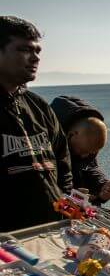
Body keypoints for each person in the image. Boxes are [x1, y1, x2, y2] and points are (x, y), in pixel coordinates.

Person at [0, 17, 73, 232]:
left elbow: (62, 159)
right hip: (8, 245)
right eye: (24, 50)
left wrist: (65, 203)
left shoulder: (37, 105)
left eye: (37, 51)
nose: (35, 58)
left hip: (52, 231)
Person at [50, 96, 110, 204]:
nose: (86, 156)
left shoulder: (84, 142)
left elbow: (90, 167)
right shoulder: (47, 142)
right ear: (72, 135)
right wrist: (68, 194)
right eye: (83, 151)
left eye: (93, 152)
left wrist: (103, 186)